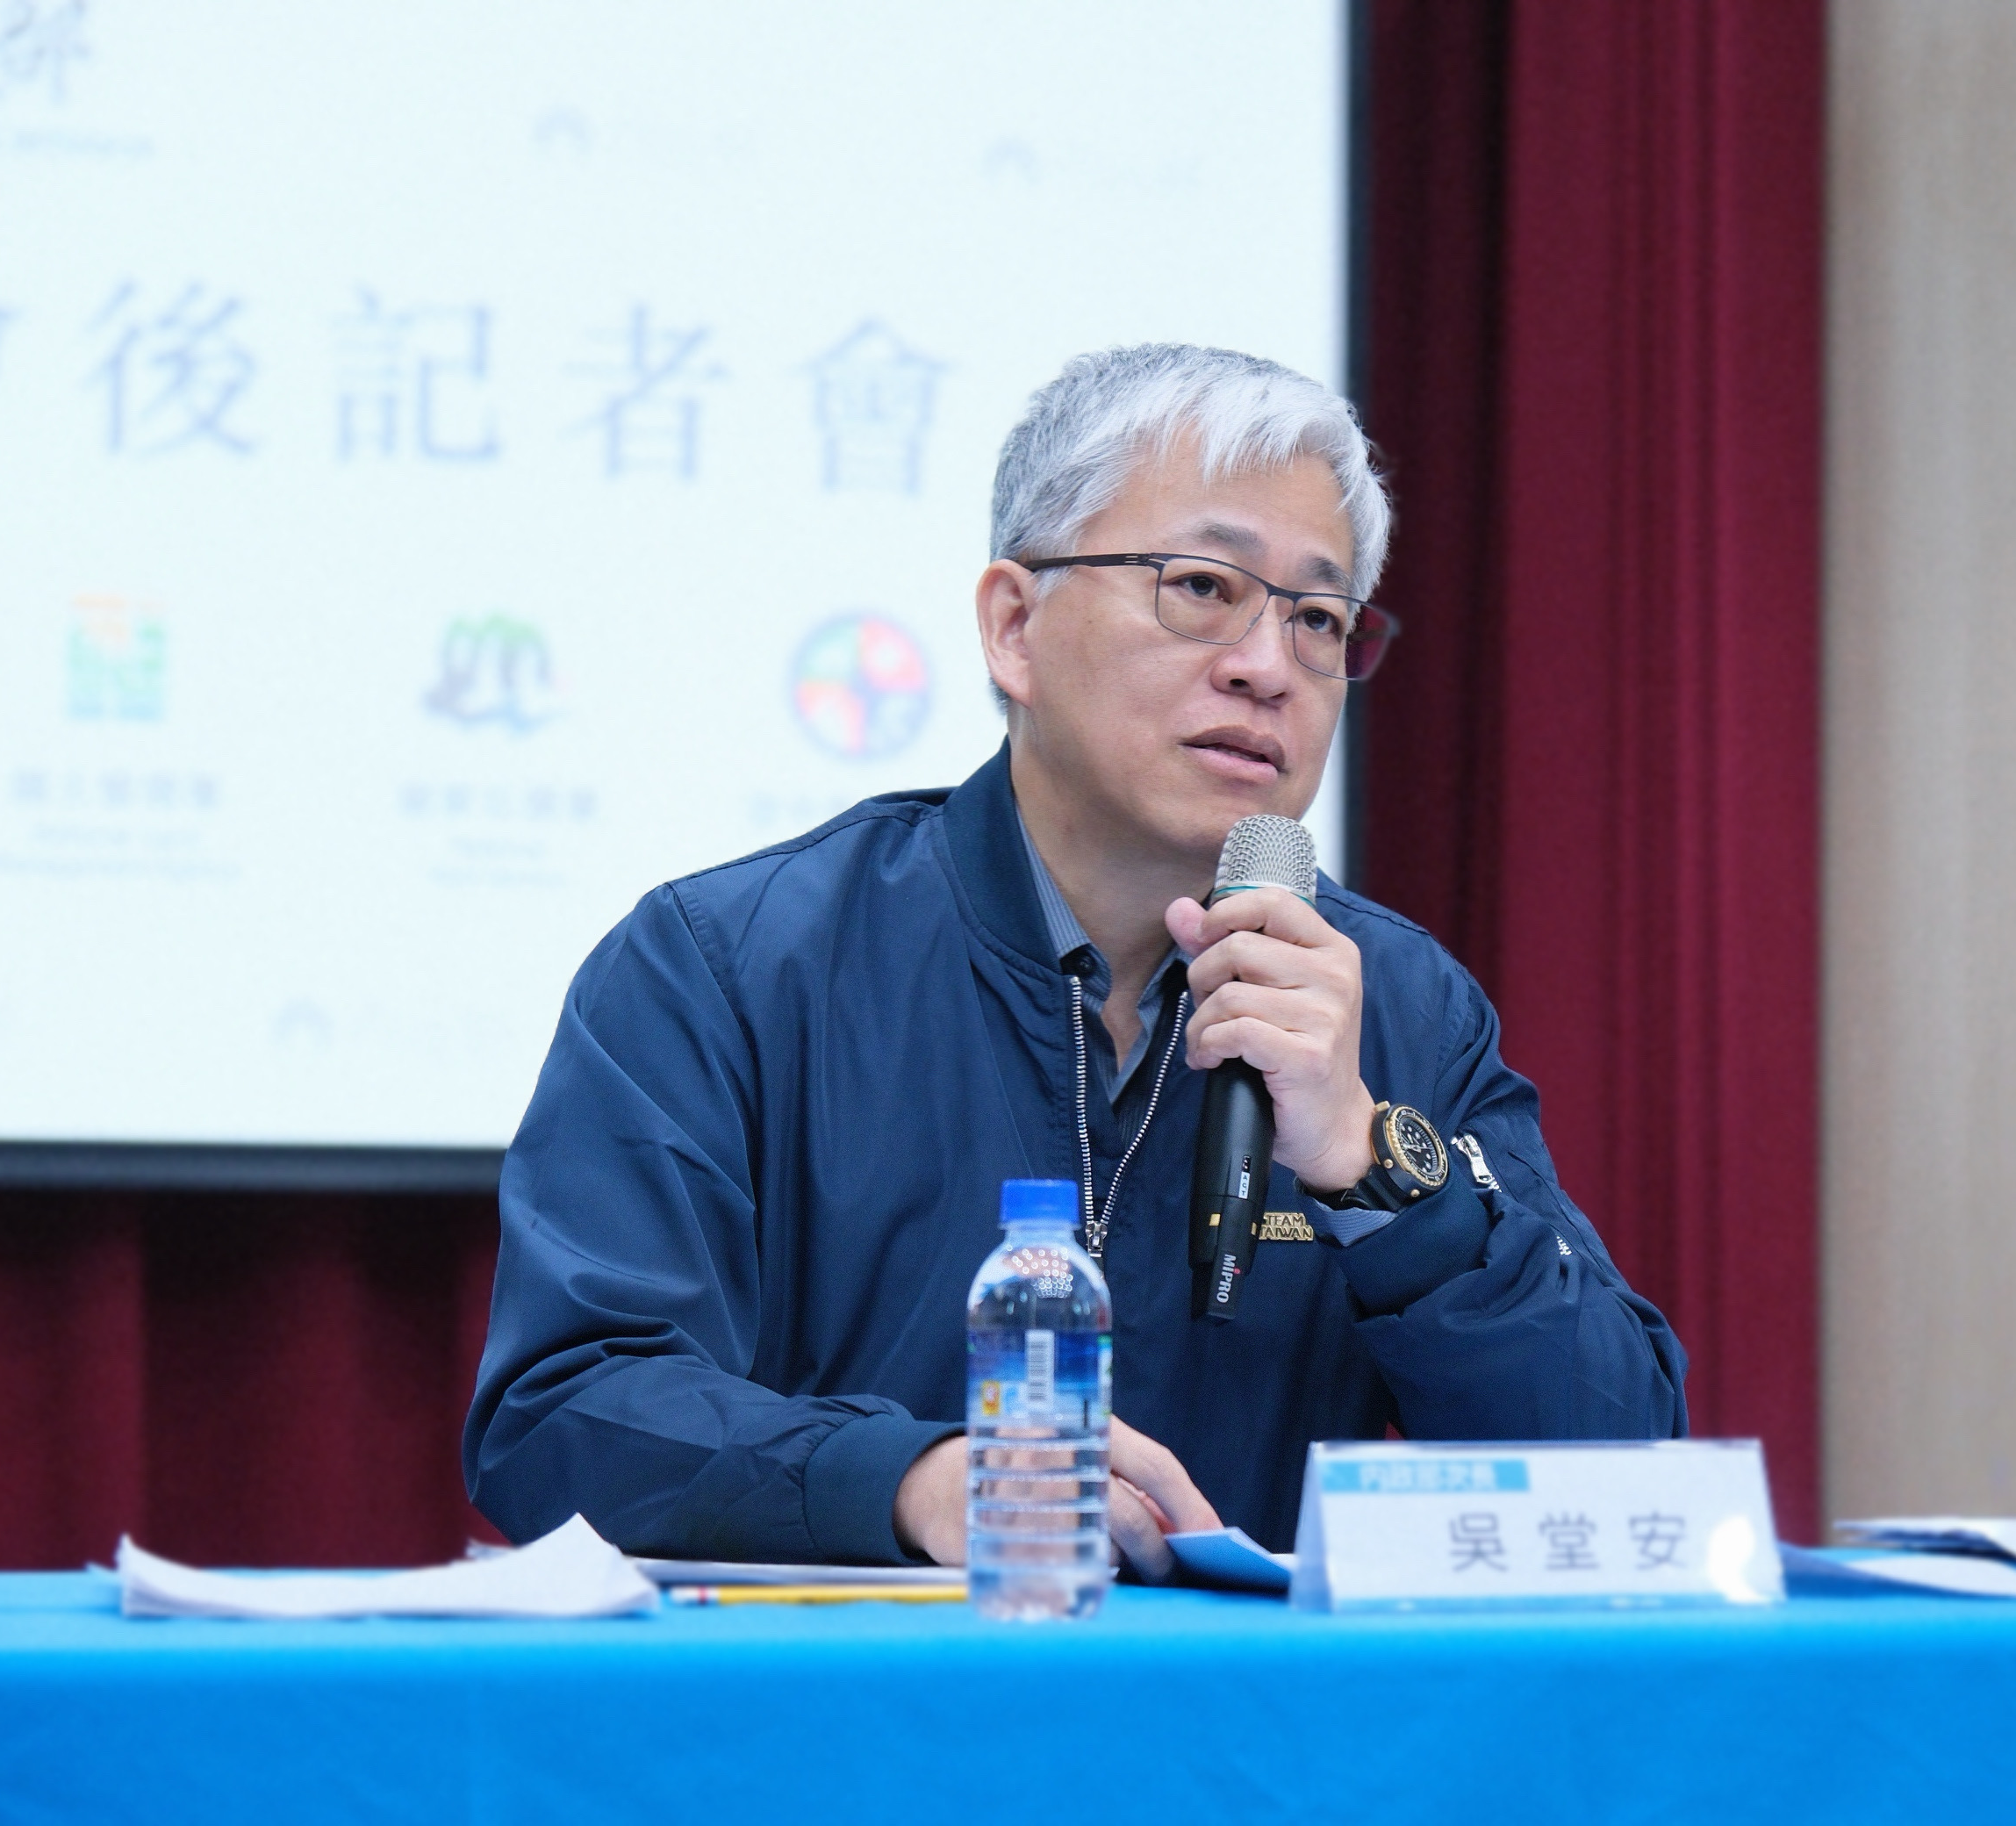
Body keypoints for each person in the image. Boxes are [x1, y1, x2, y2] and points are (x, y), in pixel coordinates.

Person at [465, 344, 1686, 1575]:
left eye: (1318, 619)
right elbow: (564, 1415)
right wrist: (913, 1483)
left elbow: (1626, 1471)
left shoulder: (1397, 1008)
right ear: (1015, 628)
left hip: (1250, 1699)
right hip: (866, 1690)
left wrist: (1376, 1176)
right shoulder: (733, 967)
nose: (1268, 667)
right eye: (1202, 587)